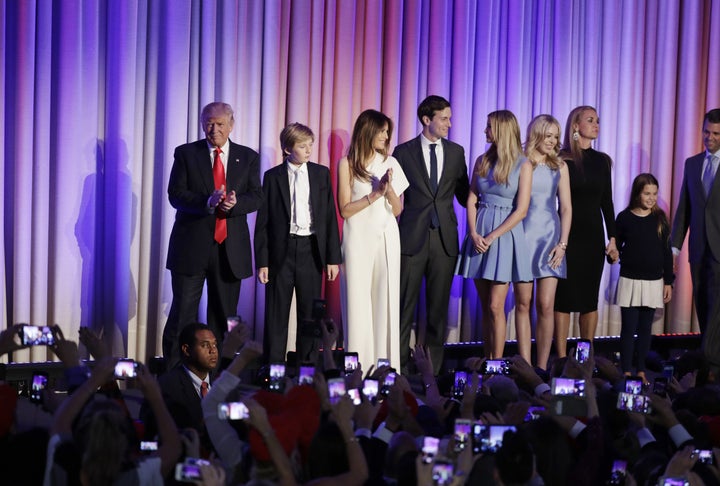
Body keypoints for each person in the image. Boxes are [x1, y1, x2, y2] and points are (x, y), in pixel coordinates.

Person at [164, 101, 263, 370]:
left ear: (231, 125)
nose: (214, 128)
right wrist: (207, 202)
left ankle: (220, 377)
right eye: (208, 123)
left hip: (230, 250)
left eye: (220, 124)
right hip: (191, 247)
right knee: (183, 314)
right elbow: (176, 195)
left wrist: (235, 205)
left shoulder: (248, 157)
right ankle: (176, 377)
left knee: (223, 316)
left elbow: (256, 196)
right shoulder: (186, 154)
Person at [392, 95, 470, 375]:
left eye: (449, 118)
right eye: (444, 118)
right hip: (412, 238)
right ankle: (398, 368)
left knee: (437, 310)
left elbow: (465, 194)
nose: (449, 123)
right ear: (427, 120)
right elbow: (393, 195)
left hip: (445, 239)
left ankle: (432, 374)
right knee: (404, 307)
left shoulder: (457, 152)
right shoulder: (403, 152)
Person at [254, 122, 341, 364]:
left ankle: (307, 369)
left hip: (310, 250)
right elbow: (263, 223)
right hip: (281, 253)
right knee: (276, 316)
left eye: (310, 145)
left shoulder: (320, 173)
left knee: (311, 316)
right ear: (287, 149)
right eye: (302, 146)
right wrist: (263, 262)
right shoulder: (272, 177)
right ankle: (273, 370)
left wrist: (333, 258)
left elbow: (329, 218)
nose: (308, 150)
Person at [456, 110, 533, 359]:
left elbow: (521, 211)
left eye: (489, 126)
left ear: (502, 129)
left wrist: (491, 237)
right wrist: (474, 232)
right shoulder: (483, 160)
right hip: (480, 232)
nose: (485, 131)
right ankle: (488, 358)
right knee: (486, 307)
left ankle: (496, 365)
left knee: (495, 305)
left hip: (503, 237)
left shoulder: (523, 165)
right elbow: (471, 199)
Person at [337, 109, 409, 370]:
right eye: (382, 131)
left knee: (385, 298)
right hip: (357, 238)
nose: (386, 136)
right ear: (368, 131)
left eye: (387, 132)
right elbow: (344, 209)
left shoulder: (391, 163)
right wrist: (375, 195)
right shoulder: (347, 164)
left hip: (386, 235)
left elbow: (398, 209)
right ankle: (358, 369)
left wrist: (388, 190)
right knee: (357, 301)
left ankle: (384, 367)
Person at [553, 105, 618, 357]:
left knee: (589, 300)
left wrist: (612, 238)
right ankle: (559, 358)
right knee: (563, 299)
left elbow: (607, 203)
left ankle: (585, 358)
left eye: (597, 121)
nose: (596, 124)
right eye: (590, 120)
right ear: (576, 126)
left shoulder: (602, 161)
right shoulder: (562, 159)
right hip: (565, 237)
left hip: (592, 238)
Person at [514, 115, 572, 370]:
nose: (553, 141)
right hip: (523, 236)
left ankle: (542, 367)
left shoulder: (560, 166)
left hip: (550, 239)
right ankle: (526, 366)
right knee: (523, 303)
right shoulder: (520, 162)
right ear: (536, 134)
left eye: (556, 136)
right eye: (548, 135)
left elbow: (567, 209)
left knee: (546, 304)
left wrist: (563, 244)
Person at [671, 108, 720, 366]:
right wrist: (674, 249)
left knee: (717, 312)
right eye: (706, 131)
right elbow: (684, 209)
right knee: (703, 306)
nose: (709, 137)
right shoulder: (692, 164)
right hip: (699, 249)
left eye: (715, 133)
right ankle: (708, 364)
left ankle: (713, 364)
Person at [616, 173, 674, 382]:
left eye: (654, 194)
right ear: (637, 194)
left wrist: (669, 281)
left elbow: (667, 253)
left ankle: (641, 370)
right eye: (647, 193)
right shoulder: (624, 218)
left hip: (652, 281)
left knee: (645, 328)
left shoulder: (660, 219)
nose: (651, 198)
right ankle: (626, 370)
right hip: (630, 280)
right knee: (628, 328)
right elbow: (616, 246)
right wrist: (613, 254)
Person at [142, 322, 218, 456]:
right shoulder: (166, 386)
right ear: (186, 350)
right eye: (205, 345)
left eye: (214, 344)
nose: (213, 350)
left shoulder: (221, 383)